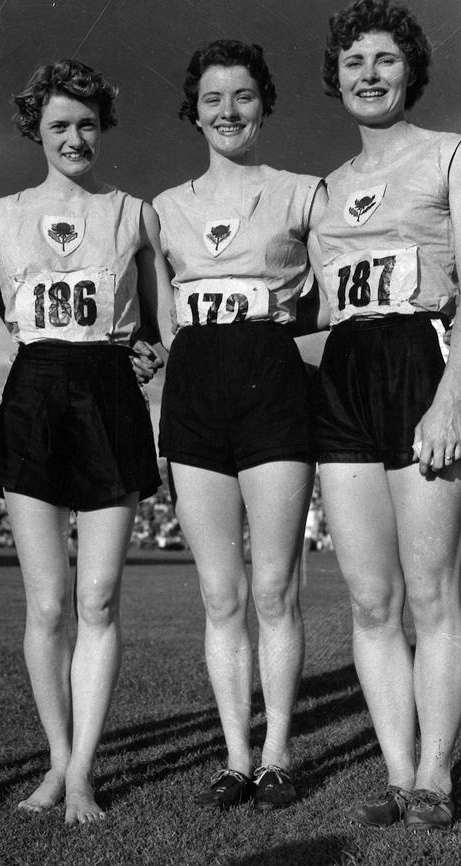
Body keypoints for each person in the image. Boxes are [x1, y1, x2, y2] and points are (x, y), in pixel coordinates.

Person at [0, 58, 164, 825]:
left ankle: (82, 772)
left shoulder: (134, 213)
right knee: (49, 603)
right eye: (59, 124)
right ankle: (57, 764)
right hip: (31, 394)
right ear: (36, 129)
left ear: (102, 127)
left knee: (96, 596)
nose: (75, 136)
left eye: (87, 122)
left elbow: (156, 332)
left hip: (109, 395)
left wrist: (152, 352)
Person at [153, 40, 326, 810]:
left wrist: (285, 352)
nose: (228, 112)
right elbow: (157, 328)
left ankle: (281, 752)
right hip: (194, 394)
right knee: (221, 594)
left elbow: (334, 309)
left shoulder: (301, 193)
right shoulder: (163, 209)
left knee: (275, 587)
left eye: (243, 97)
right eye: (213, 99)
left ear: (265, 104)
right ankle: (235, 754)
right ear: (194, 109)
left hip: (273, 387)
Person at [315, 0, 461, 831]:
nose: (368, 75)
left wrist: (451, 398)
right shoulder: (328, 187)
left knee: (432, 591)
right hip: (344, 373)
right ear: (336, 77)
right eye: (353, 62)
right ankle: (400, 774)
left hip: (422, 364)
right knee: (370, 598)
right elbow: (310, 300)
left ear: (410, 69)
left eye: (385, 60)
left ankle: (438, 774)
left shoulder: (447, 156)